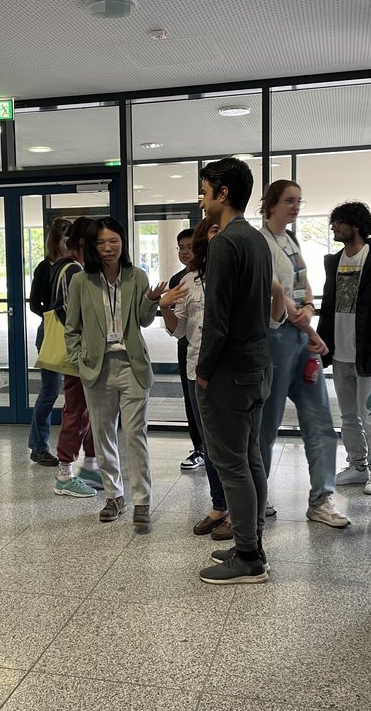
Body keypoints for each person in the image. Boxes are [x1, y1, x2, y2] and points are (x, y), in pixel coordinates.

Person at [193, 157, 274, 586]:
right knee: (251, 458)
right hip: (258, 366)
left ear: (223, 193)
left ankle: (247, 557)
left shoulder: (226, 242)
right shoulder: (256, 239)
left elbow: (217, 319)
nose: (201, 197)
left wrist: (204, 371)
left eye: (204, 189)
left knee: (232, 465)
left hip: (229, 371)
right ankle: (252, 541)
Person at [256, 180, 349, 529]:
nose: (295, 206)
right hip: (275, 337)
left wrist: (310, 308)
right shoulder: (260, 242)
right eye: (289, 201)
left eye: (299, 201)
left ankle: (322, 498)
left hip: (300, 336)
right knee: (267, 422)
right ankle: (257, 496)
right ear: (271, 204)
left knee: (320, 419)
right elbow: (273, 289)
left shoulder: (291, 240)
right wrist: (305, 320)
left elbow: (303, 282)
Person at [64, 217, 163, 527]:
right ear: (92, 247)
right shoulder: (82, 281)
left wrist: (151, 300)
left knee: (136, 435)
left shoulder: (137, 277)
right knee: (103, 434)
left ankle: (142, 500)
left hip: (132, 365)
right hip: (98, 367)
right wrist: (79, 361)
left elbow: (144, 321)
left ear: (123, 241)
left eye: (114, 241)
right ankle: (114, 496)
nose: (108, 248)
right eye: (101, 243)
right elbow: (72, 328)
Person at [318, 200, 371, 495]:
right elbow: (329, 306)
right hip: (339, 351)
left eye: (339, 222)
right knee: (348, 416)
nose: (333, 227)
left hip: (368, 350)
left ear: (356, 225)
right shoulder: (334, 261)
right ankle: (357, 465)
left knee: (370, 417)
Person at [159, 219, 228, 536]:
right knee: (211, 445)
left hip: (232, 371)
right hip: (197, 371)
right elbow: (179, 330)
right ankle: (219, 507)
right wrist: (165, 306)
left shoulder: (238, 273)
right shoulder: (188, 280)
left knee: (235, 444)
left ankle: (245, 510)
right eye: (209, 235)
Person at [51, 216, 102, 499]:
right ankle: (65, 474)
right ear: (84, 243)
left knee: (85, 411)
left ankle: (90, 466)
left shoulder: (65, 267)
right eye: (98, 241)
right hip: (79, 356)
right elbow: (74, 316)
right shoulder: (73, 271)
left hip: (80, 354)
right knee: (77, 411)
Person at [28, 218, 71, 467]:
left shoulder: (76, 266)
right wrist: (54, 314)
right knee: (50, 392)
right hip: (51, 334)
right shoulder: (46, 267)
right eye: (67, 238)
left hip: (72, 336)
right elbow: (35, 303)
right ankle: (39, 445)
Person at [168, 228, 206, 471]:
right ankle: (199, 448)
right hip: (187, 346)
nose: (185, 251)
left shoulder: (215, 274)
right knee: (191, 400)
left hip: (210, 350)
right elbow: (177, 324)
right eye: (181, 247)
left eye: (190, 246)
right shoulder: (179, 281)